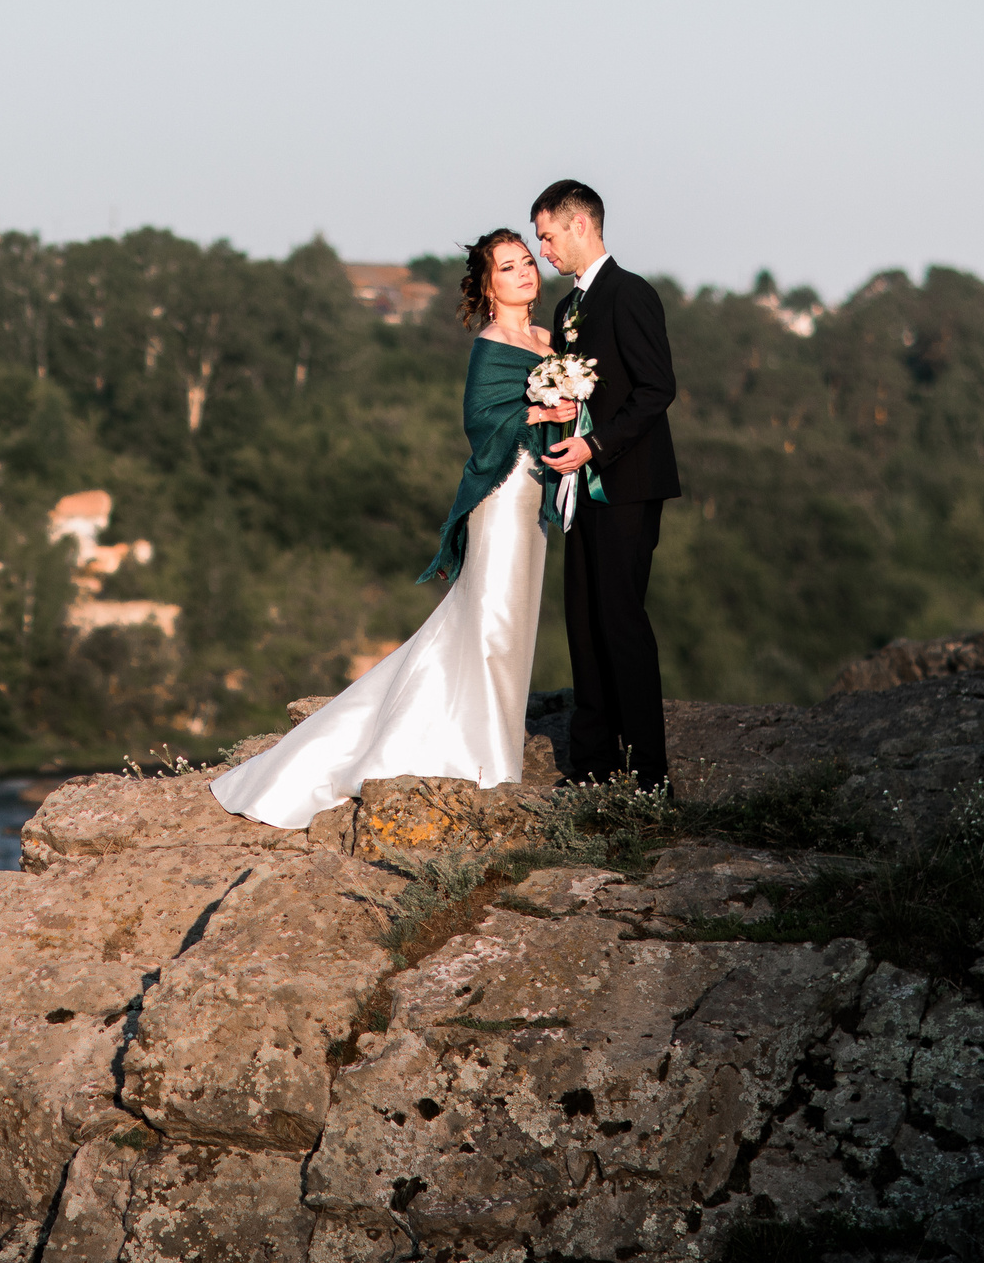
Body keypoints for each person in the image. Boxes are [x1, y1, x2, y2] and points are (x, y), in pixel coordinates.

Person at [210, 229, 574, 829]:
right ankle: (488, 762)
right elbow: (481, 421)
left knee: (514, 621)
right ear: (487, 288)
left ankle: (492, 745)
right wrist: (538, 411)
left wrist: (568, 412)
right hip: (502, 493)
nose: (524, 273)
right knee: (491, 621)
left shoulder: (547, 339)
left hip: (535, 493)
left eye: (527, 261)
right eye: (508, 267)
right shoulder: (492, 343)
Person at [530, 179, 681, 791]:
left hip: (628, 483)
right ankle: (592, 763)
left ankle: (650, 775)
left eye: (547, 235)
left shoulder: (631, 294)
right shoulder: (568, 311)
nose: (544, 249)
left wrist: (596, 444)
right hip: (579, 487)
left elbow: (656, 390)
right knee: (583, 619)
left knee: (620, 619)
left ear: (580, 226)